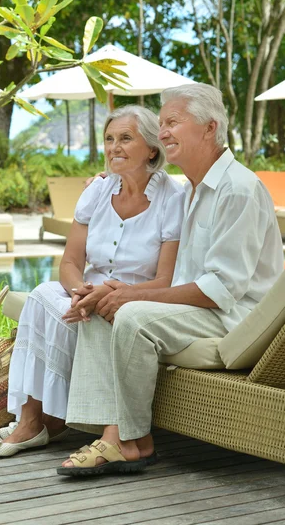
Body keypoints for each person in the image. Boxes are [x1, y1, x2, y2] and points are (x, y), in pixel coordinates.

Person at [58, 82, 284, 476]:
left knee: (128, 315)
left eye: (172, 123)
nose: (161, 133)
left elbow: (222, 288)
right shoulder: (194, 188)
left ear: (209, 128)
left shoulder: (237, 190)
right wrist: (119, 290)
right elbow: (178, 274)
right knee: (102, 302)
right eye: (161, 124)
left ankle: (125, 441)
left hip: (234, 316)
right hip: (207, 307)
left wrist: (133, 299)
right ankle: (122, 434)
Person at [0, 104, 185, 458]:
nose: (113, 148)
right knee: (43, 294)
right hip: (86, 293)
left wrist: (107, 294)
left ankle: (55, 420)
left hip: (136, 298)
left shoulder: (173, 199)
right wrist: (80, 293)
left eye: (125, 138)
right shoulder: (98, 191)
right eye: (109, 139)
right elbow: (71, 261)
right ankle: (31, 419)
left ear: (152, 148)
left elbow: (165, 278)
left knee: (95, 309)